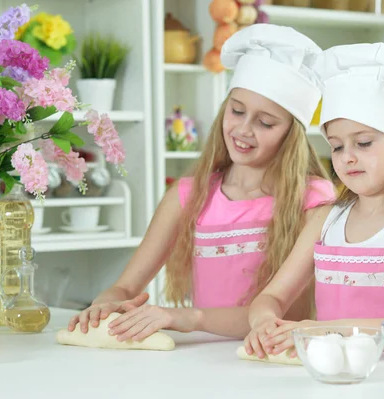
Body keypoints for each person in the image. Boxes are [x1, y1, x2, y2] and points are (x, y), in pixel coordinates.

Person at [66, 24, 336, 341]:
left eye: (265, 122)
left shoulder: (313, 198)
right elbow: (125, 286)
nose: (244, 130)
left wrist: (188, 318)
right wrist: (106, 305)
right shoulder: (188, 195)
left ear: (291, 135)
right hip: (203, 358)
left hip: (273, 358)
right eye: (237, 111)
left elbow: (286, 316)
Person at [244, 43, 384, 358]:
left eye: (363, 143)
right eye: (336, 146)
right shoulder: (325, 221)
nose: (347, 158)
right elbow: (271, 298)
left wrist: (321, 330)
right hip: (331, 373)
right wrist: (264, 322)